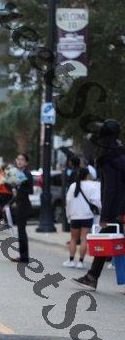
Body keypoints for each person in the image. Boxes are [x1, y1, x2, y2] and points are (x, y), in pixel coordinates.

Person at [73, 119, 125, 291]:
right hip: (120, 207)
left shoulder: (109, 156)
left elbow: (111, 188)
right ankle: (92, 276)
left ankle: (92, 277)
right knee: (107, 239)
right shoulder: (119, 152)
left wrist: (105, 216)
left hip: (118, 208)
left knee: (106, 238)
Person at [63, 167, 101, 269]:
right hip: (87, 216)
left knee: (73, 239)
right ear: (87, 175)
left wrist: (68, 215)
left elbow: (68, 202)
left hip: (75, 216)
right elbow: (97, 201)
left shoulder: (73, 186)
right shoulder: (92, 186)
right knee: (84, 239)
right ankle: (81, 261)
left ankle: (71, 260)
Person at [9, 154, 33, 263]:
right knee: (20, 231)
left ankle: (24, 256)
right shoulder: (17, 173)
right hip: (18, 204)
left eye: (22, 159)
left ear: (26, 162)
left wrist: (20, 186)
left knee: (22, 231)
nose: (19, 161)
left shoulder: (27, 174)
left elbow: (30, 191)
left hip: (24, 205)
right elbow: (16, 192)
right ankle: (22, 255)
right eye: (18, 159)